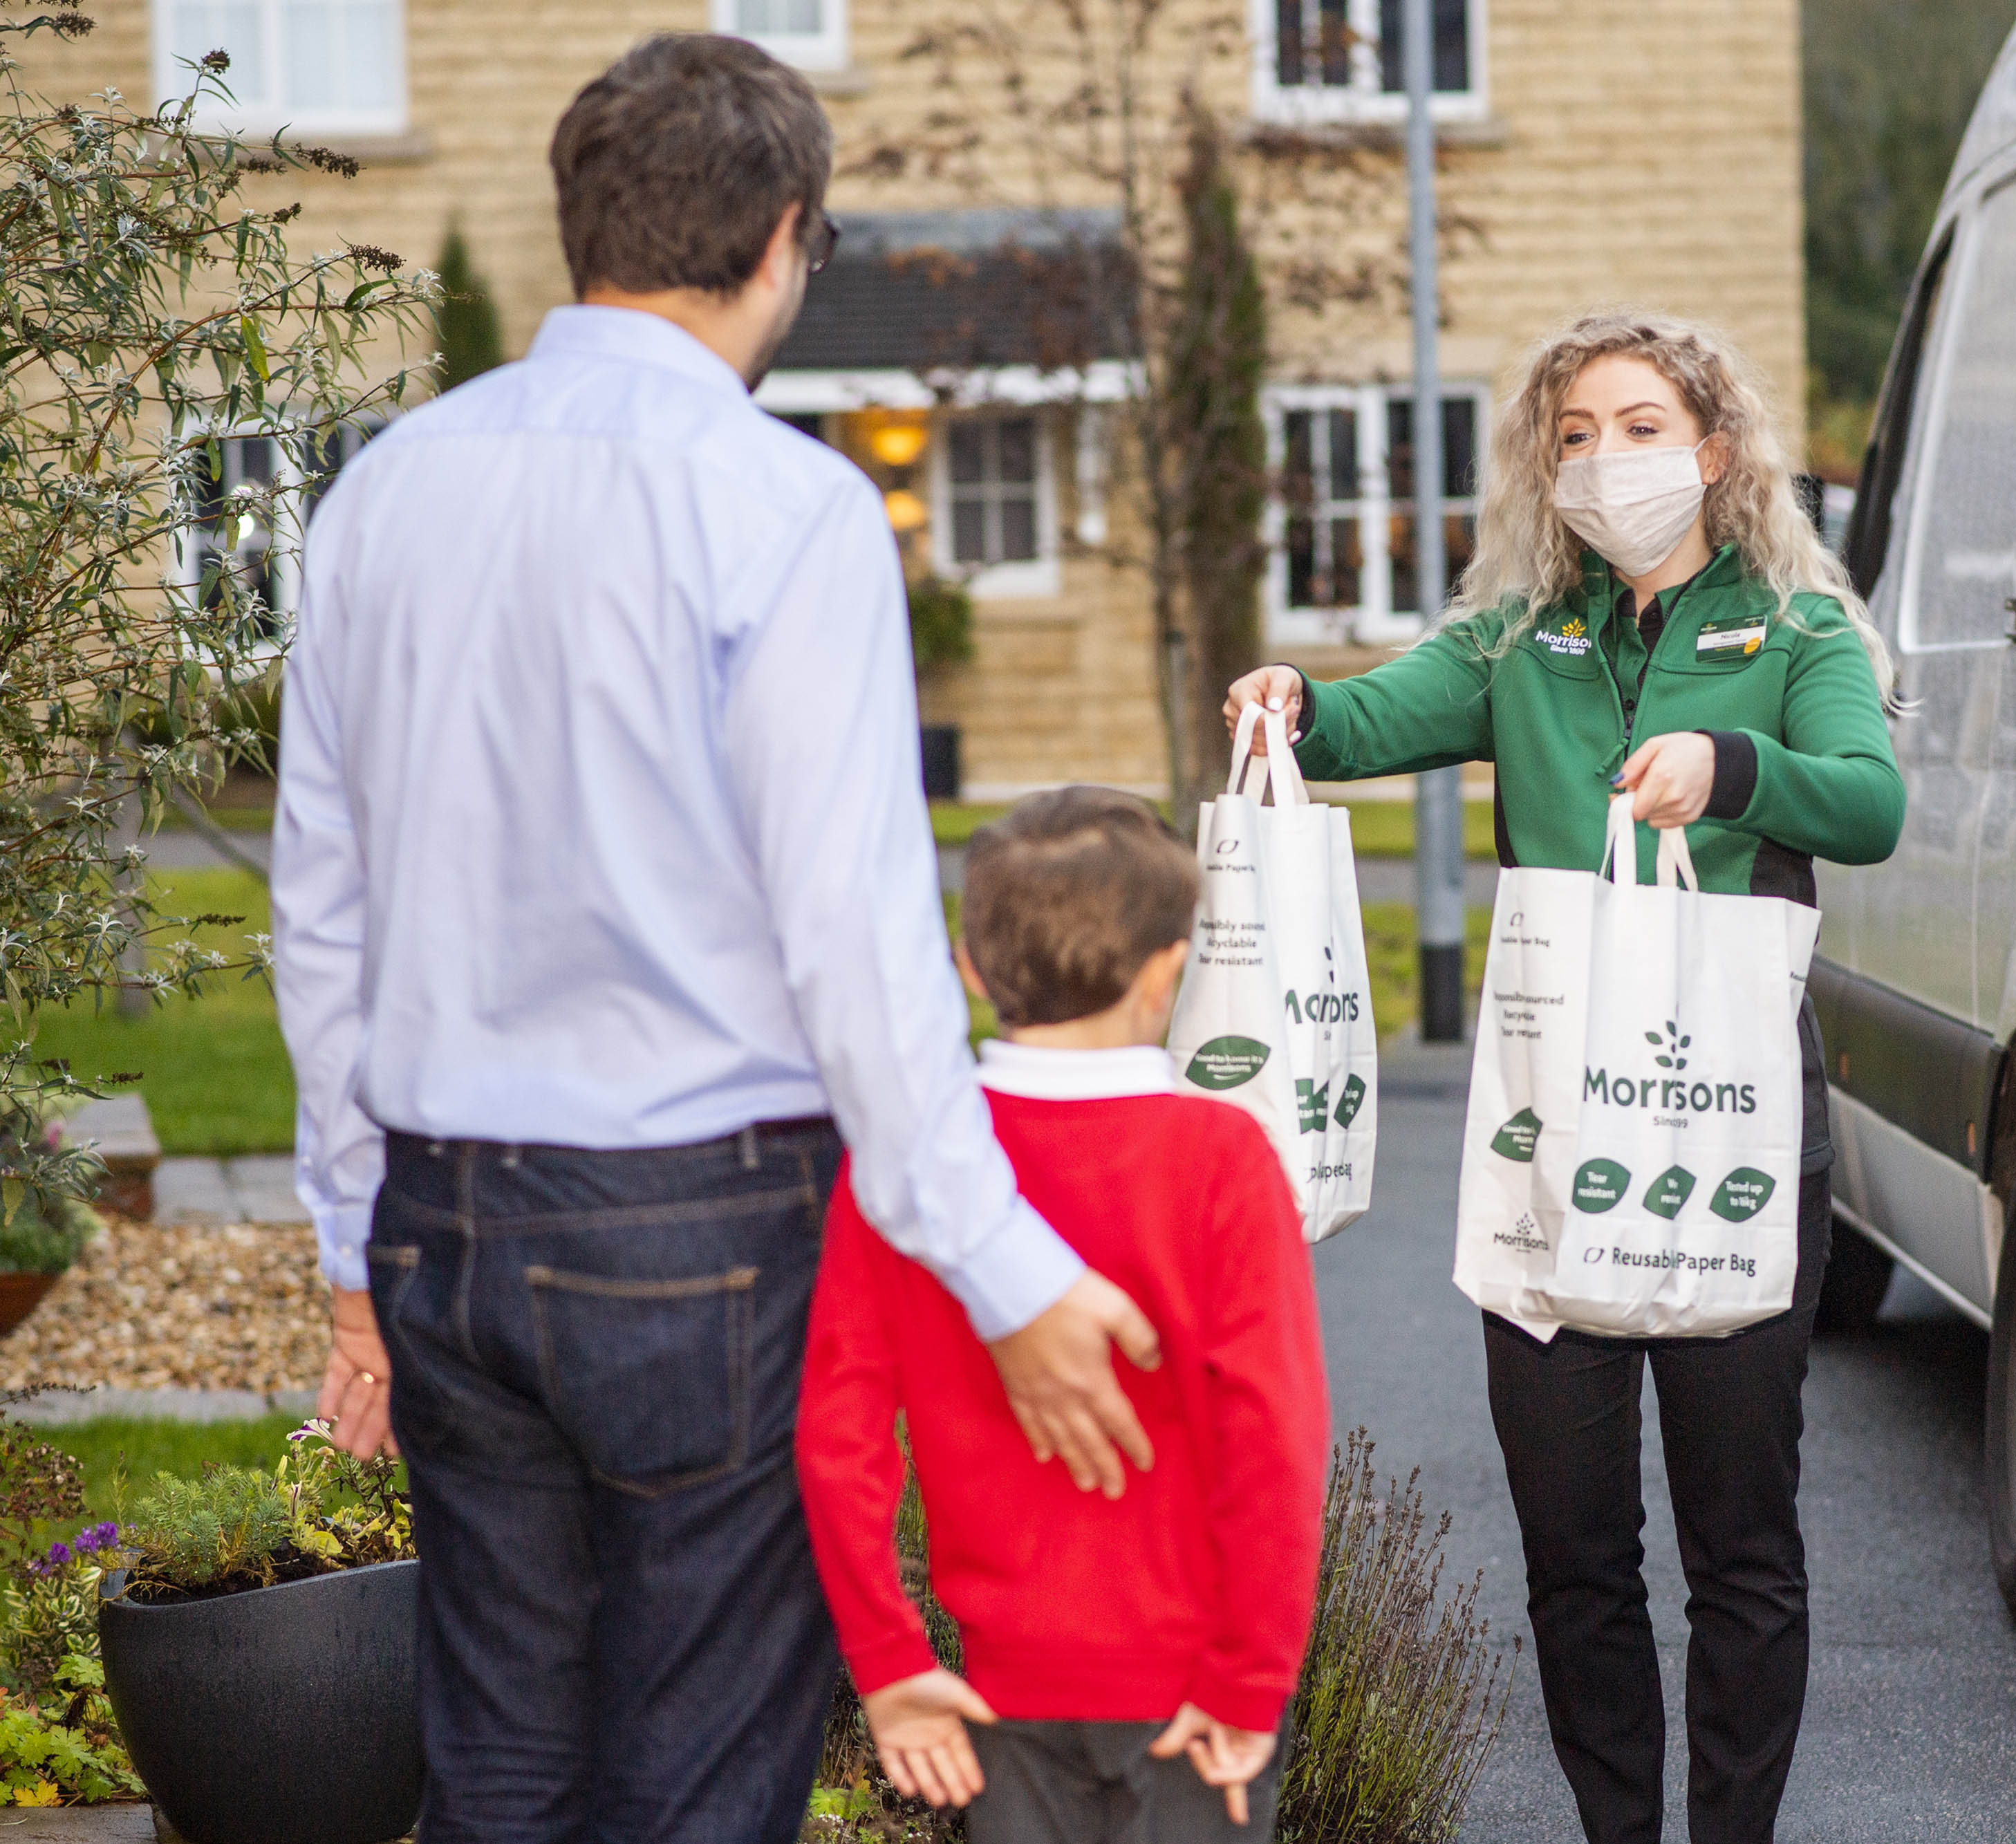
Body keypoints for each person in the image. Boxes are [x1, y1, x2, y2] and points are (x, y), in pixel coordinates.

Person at [272, 35, 1161, 1841]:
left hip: (447, 1212)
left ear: (578, 229)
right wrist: (1003, 1268)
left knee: (500, 1763)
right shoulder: (791, 510)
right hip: (705, 1229)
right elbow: (857, 942)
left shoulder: (381, 494)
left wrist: (353, 1232)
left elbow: (320, 910)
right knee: (701, 1779)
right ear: (783, 239)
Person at [1224, 310, 1905, 1844]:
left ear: (1715, 450)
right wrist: (1290, 701)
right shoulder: (1514, 637)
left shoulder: (1795, 629)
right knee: (1572, 1544)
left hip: (1729, 1115)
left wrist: (1731, 769)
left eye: (1643, 425)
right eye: (1576, 433)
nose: (1606, 458)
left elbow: (1865, 805)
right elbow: (1363, 717)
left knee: (1738, 1536)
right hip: (1550, 1131)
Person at [796, 788, 1329, 1842]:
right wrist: (1249, 1676)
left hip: (1002, 1688)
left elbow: (838, 1438)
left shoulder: (901, 1175)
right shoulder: (1223, 1161)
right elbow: (1277, 1438)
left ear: (970, 967)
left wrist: (892, 1659)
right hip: (1195, 1691)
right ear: (1170, 969)